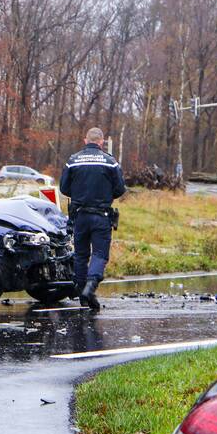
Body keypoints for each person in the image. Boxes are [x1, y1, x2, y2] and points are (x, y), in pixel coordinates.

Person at [59, 127, 126, 312]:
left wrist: (79, 194)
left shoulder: (73, 160)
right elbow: (120, 189)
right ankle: (91, 286)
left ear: (85, 140)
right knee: (99, 254)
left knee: (81, 254)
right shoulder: (110, 162)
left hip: (79, 215)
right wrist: (105, 195)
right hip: (101, 215)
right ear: (101, 142)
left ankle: (83, 293)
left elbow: (64, 188)